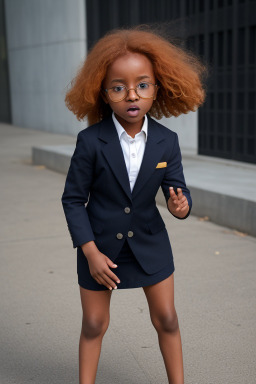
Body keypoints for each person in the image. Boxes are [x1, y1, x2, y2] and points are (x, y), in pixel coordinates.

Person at [61, 26, 207, 384]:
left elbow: (179, 195)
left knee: (168, 319)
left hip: (149, 242)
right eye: (118, 86)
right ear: (103, 92)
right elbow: (73, 199)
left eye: (143, 85)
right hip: (99, 246)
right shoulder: (90, 141)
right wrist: (90, 252)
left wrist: (180, 206)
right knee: (94, 324)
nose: (132, 94)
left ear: (157, 88)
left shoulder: (166, 141)